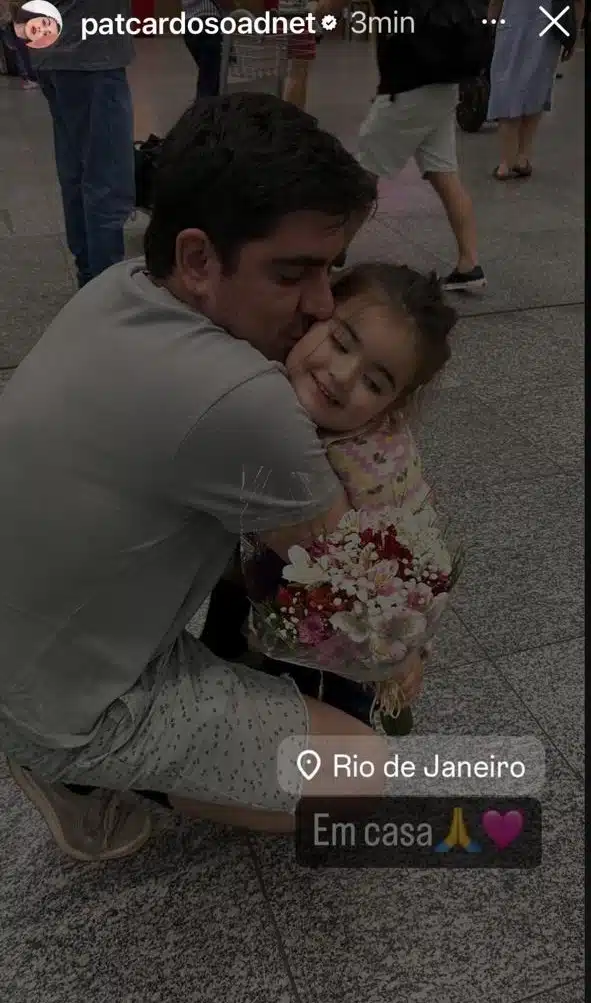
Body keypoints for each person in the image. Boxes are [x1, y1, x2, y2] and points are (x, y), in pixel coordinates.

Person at [0, 93, 422, 863]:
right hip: (65, 702)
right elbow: (347, 596)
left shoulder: (120, 283)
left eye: (329, 270)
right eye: (291, 273)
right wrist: (407, 645)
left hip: (28, 637)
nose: (321, 304)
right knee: (361, 774)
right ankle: (84, 775)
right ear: (197, 258)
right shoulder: (243, 400)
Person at [242, 262, 456, 733]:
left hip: (341, 621)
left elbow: (408, 574)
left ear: (393, 405)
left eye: (374, 383)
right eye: (339, 343)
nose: (341, 375)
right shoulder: (251, 375)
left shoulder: (373, 464)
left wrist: (406, 654)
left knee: (334, 710)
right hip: (268, 582)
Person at [314, 0, 488, 293]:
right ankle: (470, 265)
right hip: (445, 84)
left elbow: (331, 5)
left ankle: (331, 255)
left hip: (406, 91)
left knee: (363, 175)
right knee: (443, 173)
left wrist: (311, 14)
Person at [30, 1, 135, 287]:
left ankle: (88, 277)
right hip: (90, 53)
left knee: (76, 173)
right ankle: (107, 291)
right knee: (107, 179)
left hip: (53, 48)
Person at [487, 0, 583, 179]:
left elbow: (495, 2)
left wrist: (489, 24)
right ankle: (522, 157)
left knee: (506, 85)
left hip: (511, 24)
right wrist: (573, 34)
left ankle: (505, 163)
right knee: (536, 86)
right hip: (549, 27)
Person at [181, 0, 231, 99]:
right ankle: (204, 109)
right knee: (210, 78)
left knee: (207, 73)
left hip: (189, 26)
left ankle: (206, 106)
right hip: (208, 23)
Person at [0, 0, 39, 87]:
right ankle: (31, 76)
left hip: (19, 22)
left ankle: (32, 77)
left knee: (23, 51)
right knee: (22, 50)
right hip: (17, 21)